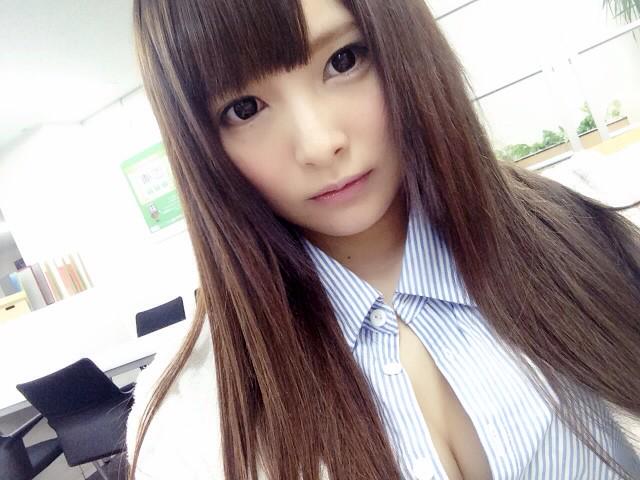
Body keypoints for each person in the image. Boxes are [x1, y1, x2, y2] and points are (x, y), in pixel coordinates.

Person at [126, 0, 640, 478]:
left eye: (343, 60)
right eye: (244, 108)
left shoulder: (587, 231)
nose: (319, 144)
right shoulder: (187, 421)